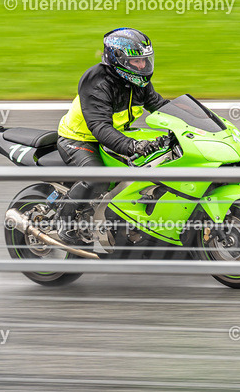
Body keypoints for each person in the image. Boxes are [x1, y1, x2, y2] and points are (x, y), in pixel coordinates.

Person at [54, 27, 169, 244]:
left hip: (113, 137)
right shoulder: (96, 82)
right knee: (98, 178)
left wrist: (200, 121)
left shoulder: (138, 82)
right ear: (118, 59)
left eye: (145, 60)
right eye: (136, 61)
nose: (142, 66)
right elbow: (99, 126)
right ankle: (64, 221)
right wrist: (133, 145)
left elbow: (160, 106)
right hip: (79, 139)